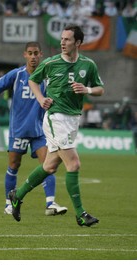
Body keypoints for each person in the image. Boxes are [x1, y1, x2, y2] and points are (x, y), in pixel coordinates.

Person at [9, 24, 104, 227]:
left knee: (50, 166)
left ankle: (18, 195)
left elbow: (100, 89)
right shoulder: (51, 63)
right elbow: (33, 80)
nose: (62, 42)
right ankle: (81, 214)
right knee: (74, 164)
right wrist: (41, 98)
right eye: (61, 39)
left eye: (67, 39)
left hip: (73, 119)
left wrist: (86, 89)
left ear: (78, 43)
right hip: (55, 118)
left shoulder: (88, 65)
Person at [0, 42, 67, 216]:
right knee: (14, 165)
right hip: (19, 130)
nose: (33, 56)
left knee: (48, 165)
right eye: (30, 53)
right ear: (25, 55)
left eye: (36, 53)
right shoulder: (16, 75)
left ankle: (50, 203)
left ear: (41, 54)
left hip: (40, 131)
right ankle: (9, 203)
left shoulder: (47, 77)